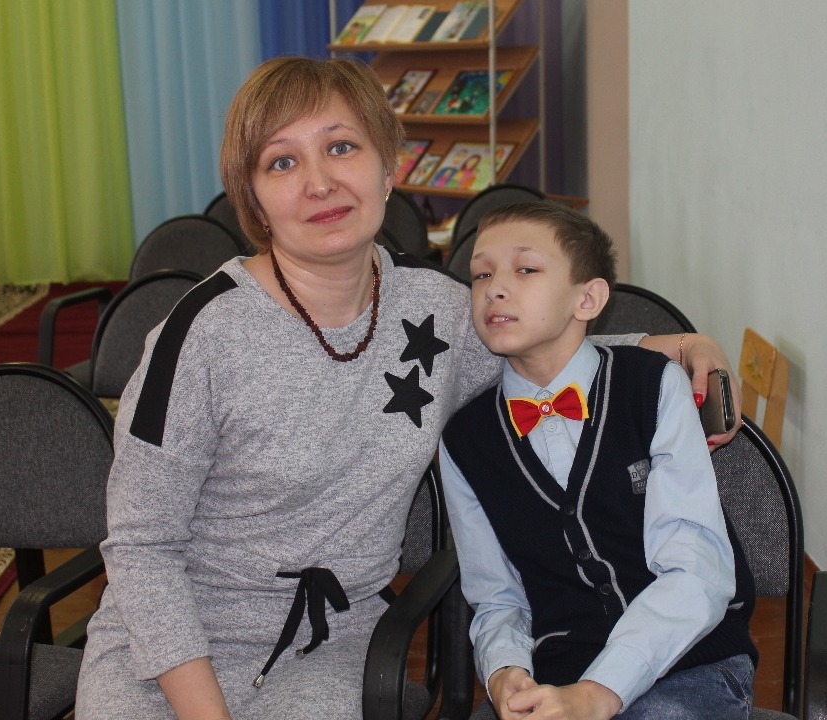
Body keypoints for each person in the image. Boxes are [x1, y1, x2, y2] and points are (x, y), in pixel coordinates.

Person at [74, 56, 739, 720]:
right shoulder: (199, 336)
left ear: (389, 168)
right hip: (168, 647)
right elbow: (141, 547)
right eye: (282, 162)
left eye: (342, 147)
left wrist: (675, 347)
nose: (319, 182)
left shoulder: (437, 312)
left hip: (331, 644)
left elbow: (548, 349)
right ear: (254, 199)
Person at [439, 202, 757, 720]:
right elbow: (497, 597)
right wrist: (504, 671)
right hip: (557, 674)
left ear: (587, 298)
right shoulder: (464, 440)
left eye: (525, 269)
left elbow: (697, 569)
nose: (494, 288)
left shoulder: (652, 386)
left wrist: (597, 692)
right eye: (481, 274)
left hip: (687, 663)